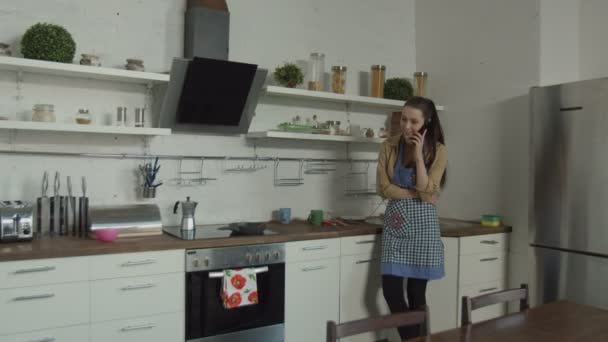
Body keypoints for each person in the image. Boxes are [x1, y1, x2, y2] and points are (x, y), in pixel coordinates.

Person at [376, 96, 448, 340]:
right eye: (403, 119)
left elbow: (428, 196)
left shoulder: (438, 150)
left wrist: (418, 156)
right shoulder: (388, 146)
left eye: (413, 121)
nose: (407, 126)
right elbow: (384, 188)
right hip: (395, 225)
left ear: (426, 122)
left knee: (417, 295)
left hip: (423, 228)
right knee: (391, 291)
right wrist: (417, 192)